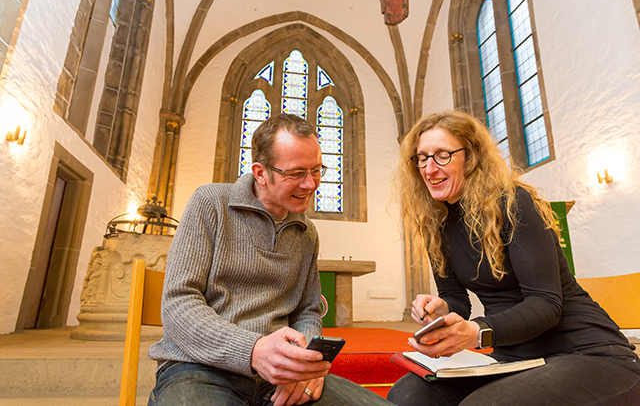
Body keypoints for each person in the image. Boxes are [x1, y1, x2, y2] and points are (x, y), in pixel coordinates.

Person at [387, 111, 640, 406]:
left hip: (585, 352)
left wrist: (476, 332)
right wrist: (440, 309)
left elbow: (546, 304)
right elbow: (457, 300)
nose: (429, 168)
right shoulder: (436, 224)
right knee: (408, 395)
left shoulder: (514, 203)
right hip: (515, 359)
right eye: (421, 158)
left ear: (471, 158)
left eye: (442, 155)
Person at [147, 113, 393, 406]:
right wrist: (253, 350)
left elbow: (307, 311)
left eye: (316, 170)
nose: (310, 184)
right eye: (296, 173)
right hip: (199, 368)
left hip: (279, 377)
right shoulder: (210, 204)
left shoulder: (306, 233)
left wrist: (306, 363)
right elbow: (178, 302)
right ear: (260, 173)